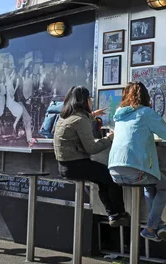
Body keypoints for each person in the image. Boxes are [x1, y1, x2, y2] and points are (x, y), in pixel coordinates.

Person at [108, 82, 166, 242]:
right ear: (146, 96)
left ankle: (158, 226)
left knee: (150, 183)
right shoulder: (146, 112)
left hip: (114, 171)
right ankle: (150, 228)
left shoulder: (119, 114)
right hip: (135, 170)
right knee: (165, 185)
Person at [53, 86, 130, 227]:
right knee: (112, 178)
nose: (91, 101)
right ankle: (119, 213)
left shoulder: (65, 117)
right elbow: (92, 148)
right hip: (77, 165)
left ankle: (113, 214)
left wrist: (93, 115)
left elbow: (78, 125)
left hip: (64, 166)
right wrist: (109, 139)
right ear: (84, 100)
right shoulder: (80, 120)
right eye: (90, 98)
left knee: (102, 180)